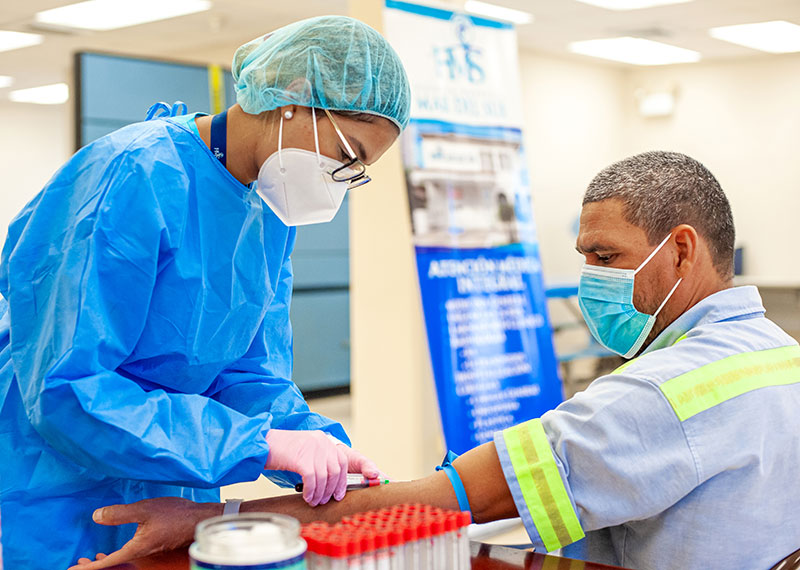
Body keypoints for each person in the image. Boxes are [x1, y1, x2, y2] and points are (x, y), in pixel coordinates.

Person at [74, 151, 800, 570]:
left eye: (605, 258)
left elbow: (450, 499)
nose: (590, 280)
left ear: (681, 249)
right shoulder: (779, 354)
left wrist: (215, 517)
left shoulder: (662, 394)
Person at [0, 15, 410, 570]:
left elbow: (248, 373)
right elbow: (67, 387)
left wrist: (314, 445)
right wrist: (259, 444)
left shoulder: (267, 210)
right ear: (293, 97)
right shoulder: (132, 173)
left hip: (175, 479)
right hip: (61, 483)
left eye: (359, 169)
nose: (342, 176)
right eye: (347, 153)